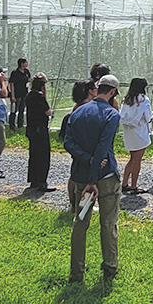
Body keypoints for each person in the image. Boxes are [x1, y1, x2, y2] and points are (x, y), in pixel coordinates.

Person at [63, 74, 122, 283]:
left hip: (80, 175)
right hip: (103, 177)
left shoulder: (78, 112)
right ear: (113, 91)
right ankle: (110, 267)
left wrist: (85, 161)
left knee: (80, 223)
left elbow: (68, 143)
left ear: (98, 89)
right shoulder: (111, 115)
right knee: (108, 224)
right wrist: (94, 178)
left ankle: (76, 272)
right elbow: (102, 149)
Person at [61, 79, 96, 211]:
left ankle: (74, 203)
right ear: (90, 92)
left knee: (75, 173)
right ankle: (78, 204)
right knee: (81, 177)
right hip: (83, 146)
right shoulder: (87, 107)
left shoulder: (78, 105)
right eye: (95, 88)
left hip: (76, 145)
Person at [119, 77, 152, 194]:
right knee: (137, 160)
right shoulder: (144, 100)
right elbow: (148, 117)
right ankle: (133, 186)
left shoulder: (126, 100)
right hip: (140, 132)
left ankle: (124, 183)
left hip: (129, 133)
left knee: (132, 158)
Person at [25, 73, 56, 191]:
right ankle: (42, 182)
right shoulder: (40, 96)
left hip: (31, 129)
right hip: (40, 129)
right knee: (43, 156)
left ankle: (33, 180)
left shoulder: (29, 95)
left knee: (33, 155)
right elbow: (48, 112)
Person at [7, 58, 30, 130]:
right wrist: (12, 95)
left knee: (22, 110)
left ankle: (20, 125)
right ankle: (12, 125)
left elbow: (29, 79)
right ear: (21, 64)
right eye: (25, 62)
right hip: (17, 94)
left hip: (24, 93)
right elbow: (12, 84)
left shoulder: (26, 72)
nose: (27, 64)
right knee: (14, 110)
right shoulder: (15, 73)